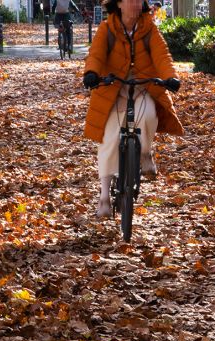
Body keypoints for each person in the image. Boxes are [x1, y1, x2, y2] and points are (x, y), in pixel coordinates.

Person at [82, 0, 183, 218]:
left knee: (148, 115)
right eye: (131, 0)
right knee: (109, 138)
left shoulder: (149, 28)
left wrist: (171, 78)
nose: (137, 4)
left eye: (140, 0)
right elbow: (96, 55)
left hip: (142, 87)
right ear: (119, 4)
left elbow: (162, 56)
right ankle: (104, 199)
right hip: (112, 88)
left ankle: (145, 153)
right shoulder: (107, 29)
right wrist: (91, 73)